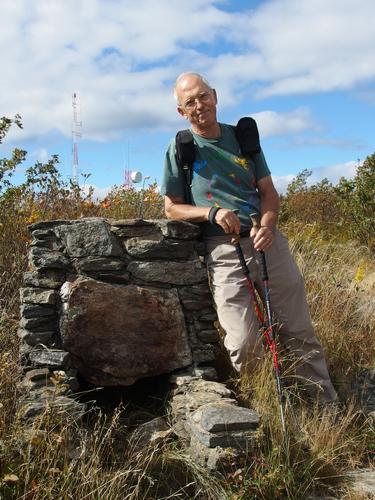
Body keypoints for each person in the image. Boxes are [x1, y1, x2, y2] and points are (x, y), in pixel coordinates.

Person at [161, 72, 337, 404]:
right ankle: (267, 407)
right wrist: (210, 213)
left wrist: (268, 226)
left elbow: (269, 193)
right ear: (181, 112)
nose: (199, 105)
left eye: (203, 96)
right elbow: (171, 208)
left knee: (299, 332)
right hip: (222, 249)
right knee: (243, 342)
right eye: (190, 102)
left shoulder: (243, 137)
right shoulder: (180, 147)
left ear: (215, 95)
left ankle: (324, 408)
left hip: (266, 242)